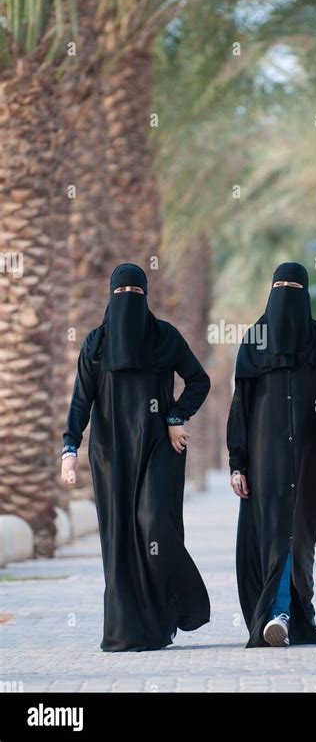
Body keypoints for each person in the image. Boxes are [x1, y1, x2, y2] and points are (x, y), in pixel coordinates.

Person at [61, 263, 211, 652]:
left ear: (146, 296)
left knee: (154, 522)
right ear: (111, 297)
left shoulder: (164, 337)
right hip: (110, 454)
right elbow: (81, 401)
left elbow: (199, 379)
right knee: (121, 539)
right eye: (121, 293)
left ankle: (186, 603)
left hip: (159, 445)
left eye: (135, 293)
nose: (128, 300)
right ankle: (133, 630)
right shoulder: (96, 343)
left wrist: (177, 416)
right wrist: (69, 448)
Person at [227, 262, 316, 648]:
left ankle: (303, 611)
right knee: (274, 530)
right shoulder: (255, 338)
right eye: (280, 285)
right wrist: (237, 463)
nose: (287, 293)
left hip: (307, 450)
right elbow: (241, 406)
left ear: (306, 292)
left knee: (302, 532)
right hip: (264, 453)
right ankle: (278, 613)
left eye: (294, 286)